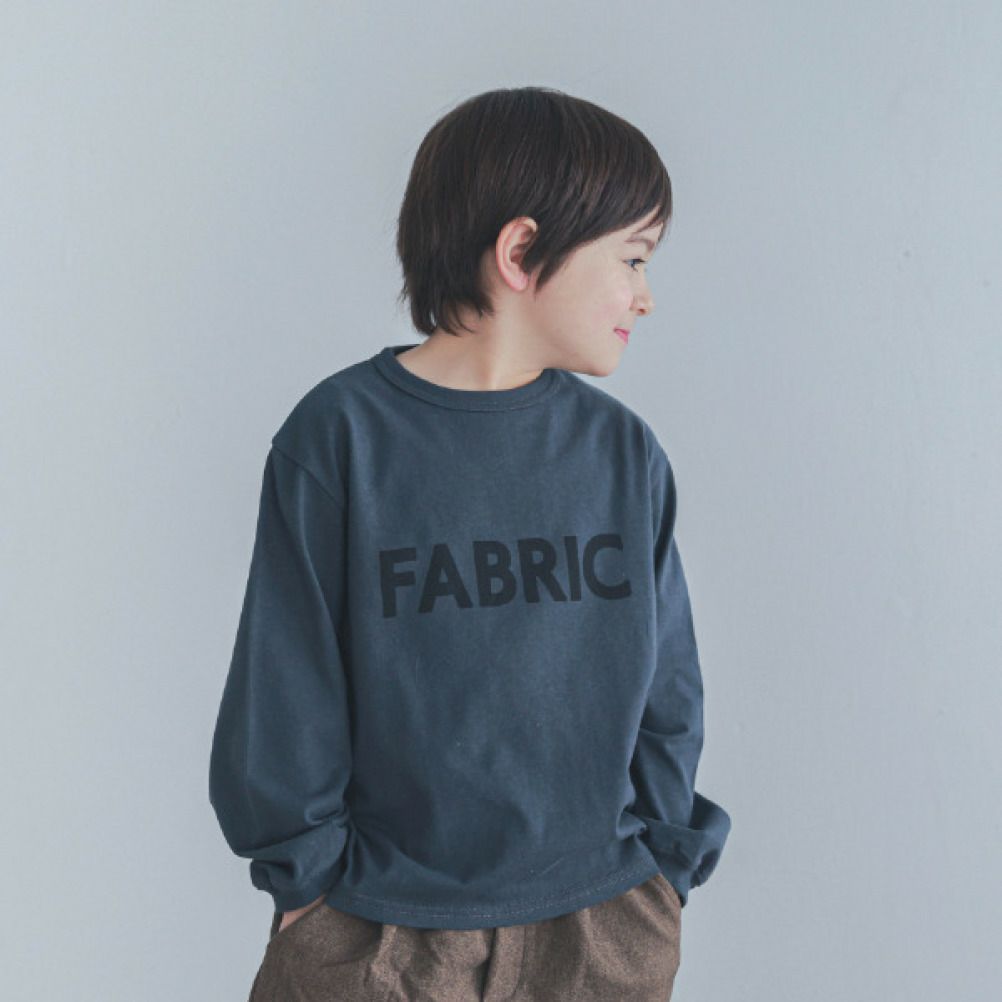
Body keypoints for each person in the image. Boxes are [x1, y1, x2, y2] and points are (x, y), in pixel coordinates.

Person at [209, 85, 731, 1001]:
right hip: (379, 930)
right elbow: (284, 682)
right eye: (633, 259)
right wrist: (308, 887)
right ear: (521, 252)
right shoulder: (341, 439)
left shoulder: (621, 453)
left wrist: (662, 874)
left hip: (599, 923)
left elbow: (670, 686)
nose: (645, 298)